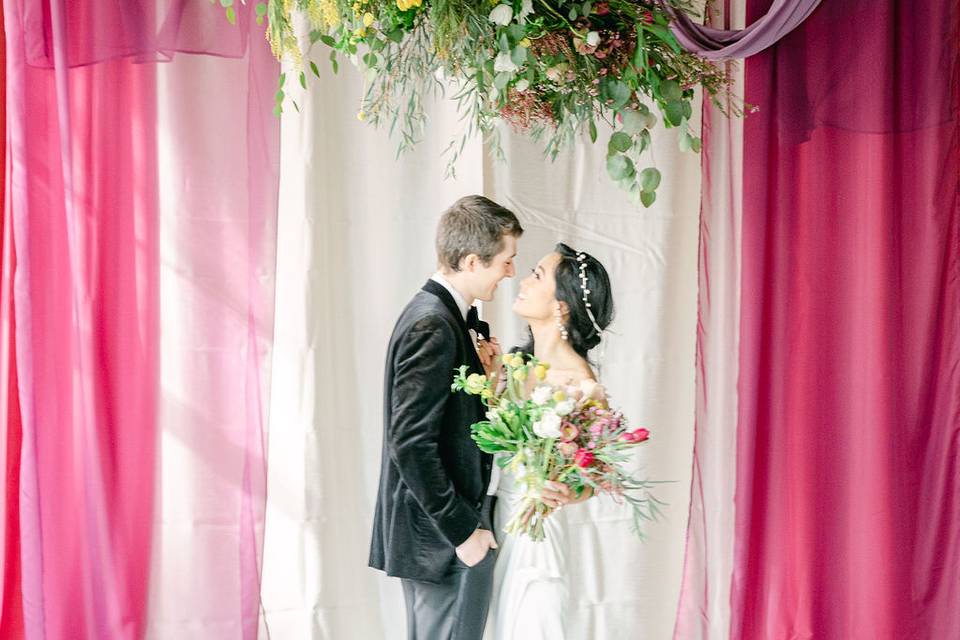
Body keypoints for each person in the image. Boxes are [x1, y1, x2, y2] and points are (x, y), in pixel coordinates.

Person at [368, 195, 525, 640]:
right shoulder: (432, 325)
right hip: (442, 536)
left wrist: (488, 375)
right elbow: (410, 444)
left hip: (452, 531)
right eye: (506, 261)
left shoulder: (453, 319)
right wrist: (463, 532)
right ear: (473, 261)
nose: (511, 272)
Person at [485, 243, 615, 639]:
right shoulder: (516, 364)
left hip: (537, 541)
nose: (523, 280)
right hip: (498, 526)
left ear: (562, 306)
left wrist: (568, 493)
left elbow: (600, 471)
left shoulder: (581, 385)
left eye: (537, 275)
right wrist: (491, 382)